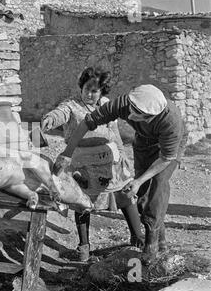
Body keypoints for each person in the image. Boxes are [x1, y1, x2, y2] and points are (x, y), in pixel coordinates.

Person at [56, 84, 187, 264]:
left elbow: (165, 158)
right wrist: (67, 154)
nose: (131, 115)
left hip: (168, 150)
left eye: (141, 116)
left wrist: (139, 180)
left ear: (151, 115)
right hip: (143, 141)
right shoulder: (123, 104)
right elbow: (88, 122)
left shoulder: (171, 122)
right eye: (133, 111)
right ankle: (162, 241)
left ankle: (152, 242)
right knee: (142, 197)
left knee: (158, 182)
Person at [41, 67, 144, 261]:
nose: (89, 94)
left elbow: (114, 132)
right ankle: (84, 247)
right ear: (81, 87)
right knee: (82, 201)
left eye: (94, 90)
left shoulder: (106, 104)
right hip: (82, 162)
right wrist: (49, 119)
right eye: (87, 88)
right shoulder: (71, 105)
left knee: (125, 195)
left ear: (101, 92)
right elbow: (59, 114)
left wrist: (122, 154)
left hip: (109, 159)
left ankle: (138, 238)